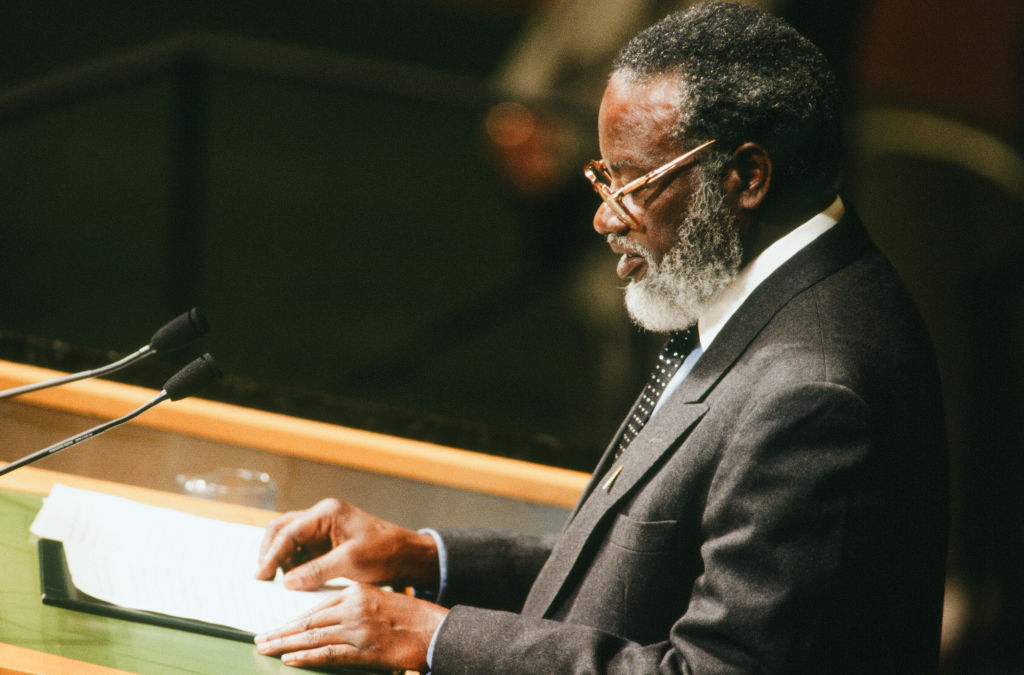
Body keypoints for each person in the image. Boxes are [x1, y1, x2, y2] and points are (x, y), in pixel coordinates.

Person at [251, 3, 949, 672]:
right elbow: (641, 563)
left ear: (747, 177)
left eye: (633, 182)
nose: (604, 218)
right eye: (601, 177)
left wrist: (435, 636)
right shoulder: (763, 296)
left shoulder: (812, 391)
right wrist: (426, 558)